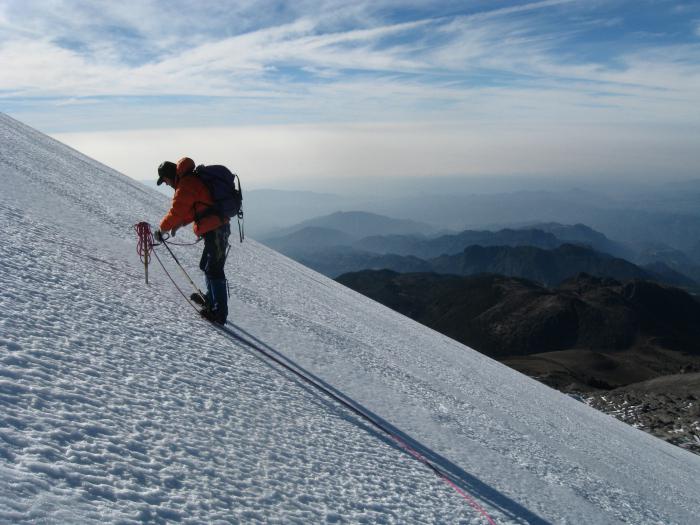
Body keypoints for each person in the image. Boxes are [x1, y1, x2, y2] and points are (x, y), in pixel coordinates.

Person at [155, 157, 231, 324]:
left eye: (165, 181)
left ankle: (219, 313)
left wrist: (163, 229)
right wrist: (179, 224)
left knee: (214, 269)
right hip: (214, 228)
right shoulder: (189, 181)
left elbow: (177, 211)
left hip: (216, 229)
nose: (167, 185)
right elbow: (197, 208)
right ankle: (211, 301)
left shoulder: (186, 184)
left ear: (169, 176)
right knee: (206, 265)